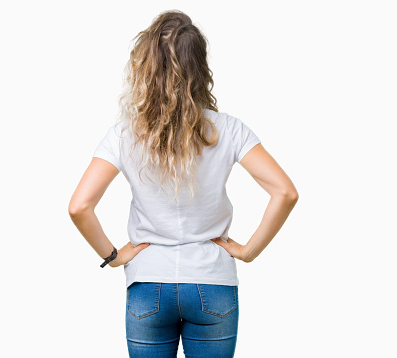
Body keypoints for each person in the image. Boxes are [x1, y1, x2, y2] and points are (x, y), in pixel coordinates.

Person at [68, 9, 299, 358]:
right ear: (200, 67)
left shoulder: (124, 134)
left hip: (148, 284)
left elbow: (79, 206)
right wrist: (248, 251)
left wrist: (113, 256)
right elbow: (285, 192)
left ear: (146, 65)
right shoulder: (230, 129)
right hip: (213, 283)